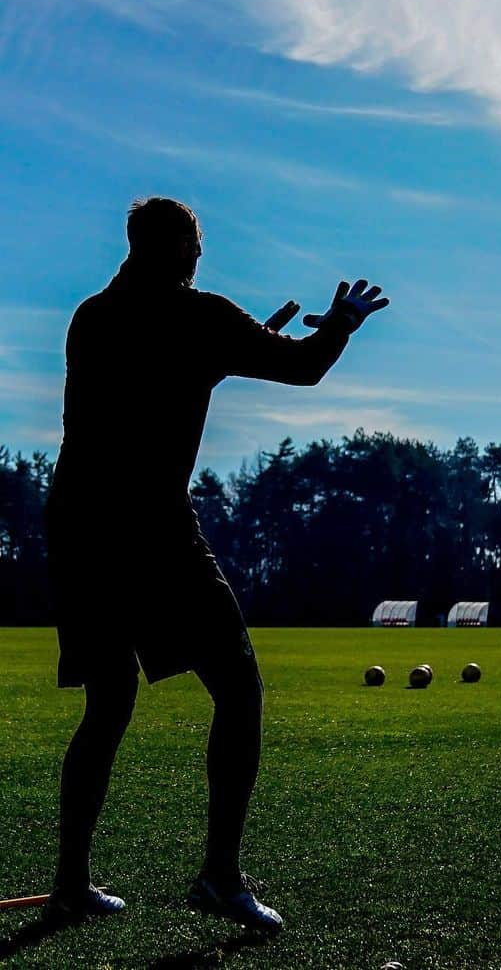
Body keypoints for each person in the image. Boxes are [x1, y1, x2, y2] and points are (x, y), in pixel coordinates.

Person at [44, 198, 388, 931]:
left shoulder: (91, 317)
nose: (200, 257)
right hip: (153, 530)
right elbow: (303, 371)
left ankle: (71, 885)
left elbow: (165, 374)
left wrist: (240, 342)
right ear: (177, 249)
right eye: (195, 246)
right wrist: (340, 327)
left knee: (106, 706)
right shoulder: (199, 316)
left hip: (79, 525)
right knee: (239, 690)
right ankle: (220, 878)